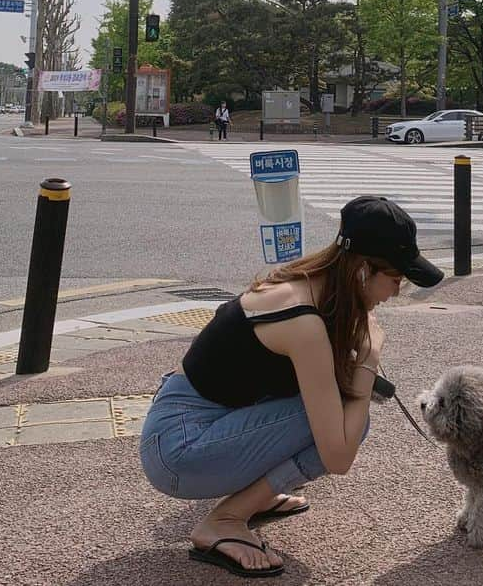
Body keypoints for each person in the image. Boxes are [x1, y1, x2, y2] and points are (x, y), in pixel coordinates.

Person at [139, 195, 444, 577]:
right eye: (395, 279)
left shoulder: (310, 283)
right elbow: (338, 457)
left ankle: (253, 499)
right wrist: (367, 359)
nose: (396, 293)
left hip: (190, 420)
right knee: (350, 420)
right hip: (178, 450)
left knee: (340, 410)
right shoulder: (304, 322)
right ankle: (226, 520)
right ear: (364, 270)